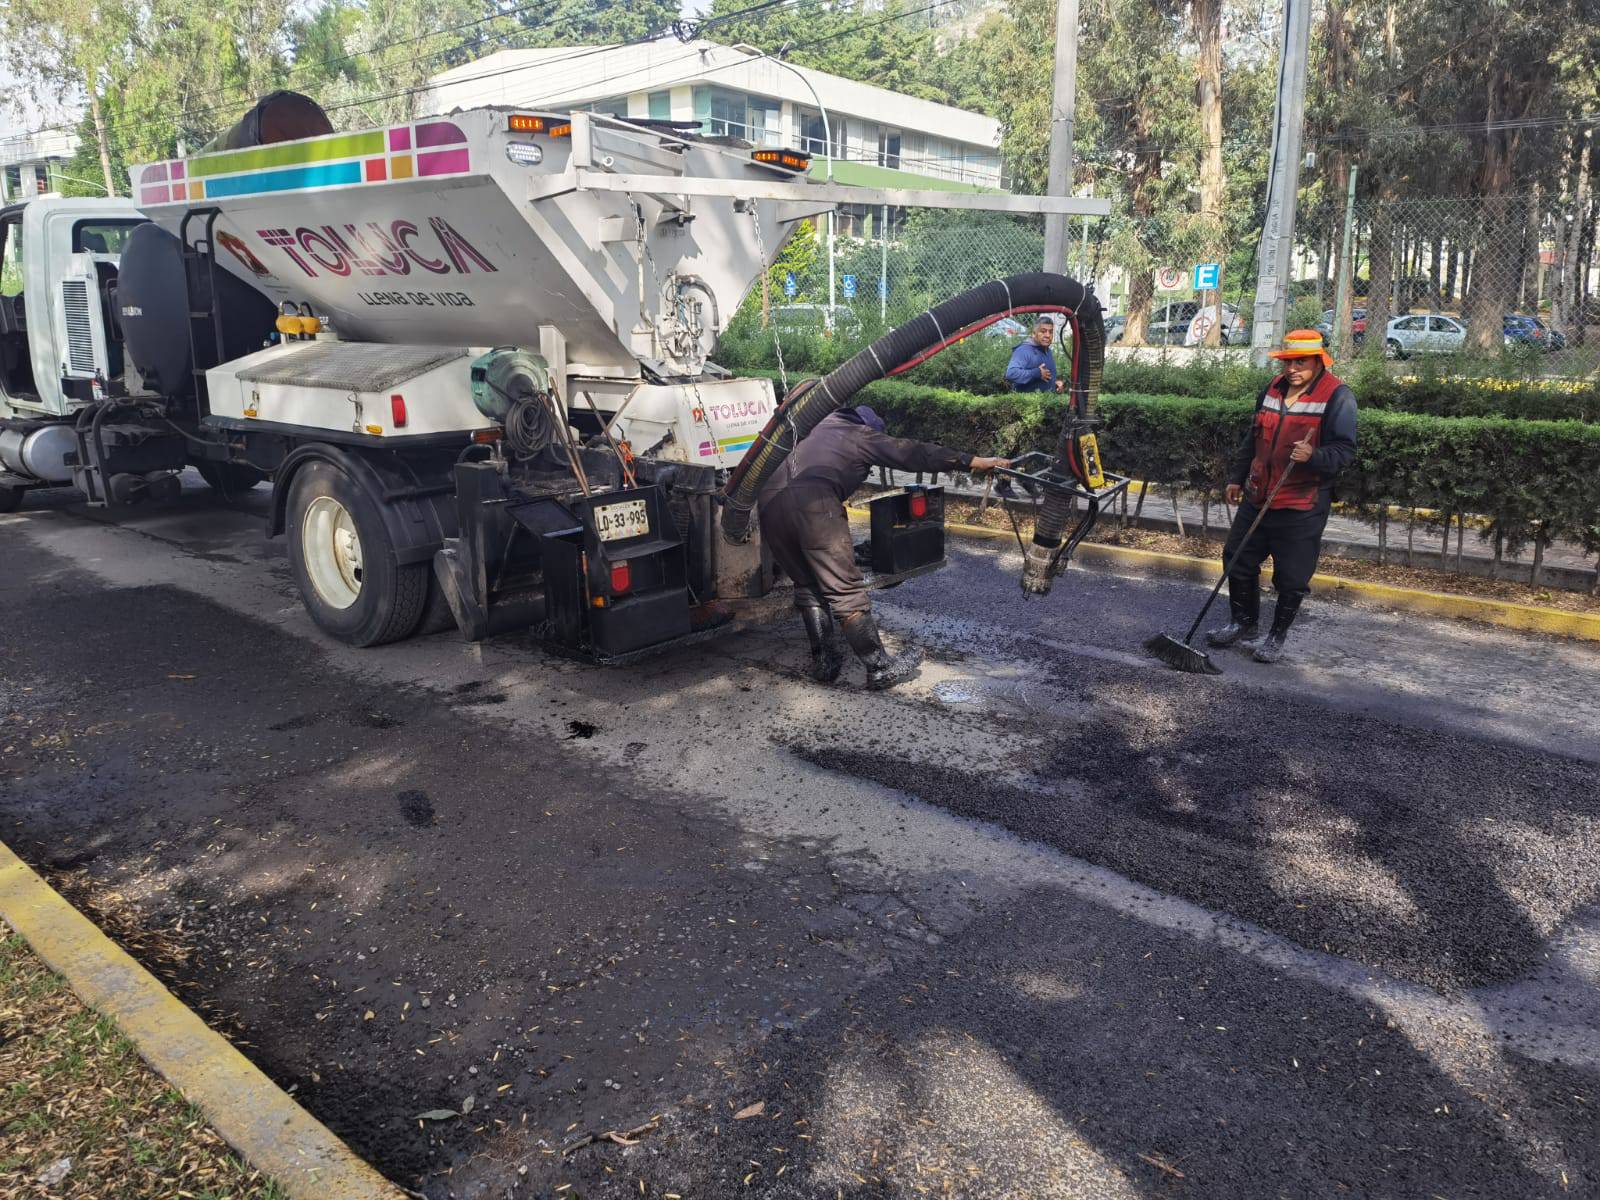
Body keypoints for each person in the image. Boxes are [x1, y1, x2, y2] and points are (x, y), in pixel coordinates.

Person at [759, 406, 1008, 689]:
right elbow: (912, 452)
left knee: (806, 584)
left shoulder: (813, 427)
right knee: (845, 591)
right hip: (814, 507)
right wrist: (972, 461)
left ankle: (825, 661)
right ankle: (878, 667)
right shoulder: (858, 434)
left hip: (768, 507)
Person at [1206, 329, 1358, 664]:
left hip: (1302, 502)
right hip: (1259, 494)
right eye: (1288, 361)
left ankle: (1276, 636)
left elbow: (1345, 451)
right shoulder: (1272, 389)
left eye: (1300, 362)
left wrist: (1314, 456)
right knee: (1237, 557)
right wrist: (1237, 477)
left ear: (1318, 361)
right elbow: (1254, 437)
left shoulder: (1338, 396)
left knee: (1291, 576)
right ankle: (1243, 623)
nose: (1292, 369)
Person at [1004, 317, 1067, 393]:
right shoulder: (1024, 350)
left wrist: (1055, 384)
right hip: (1028, 404)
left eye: (1050, 332)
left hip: (1046, 403)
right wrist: (1037, 373)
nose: (1048, 335)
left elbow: (1044, 378)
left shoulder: (1048, 351)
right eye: (1043, 331)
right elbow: (1011, 373)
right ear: (1034, 334)